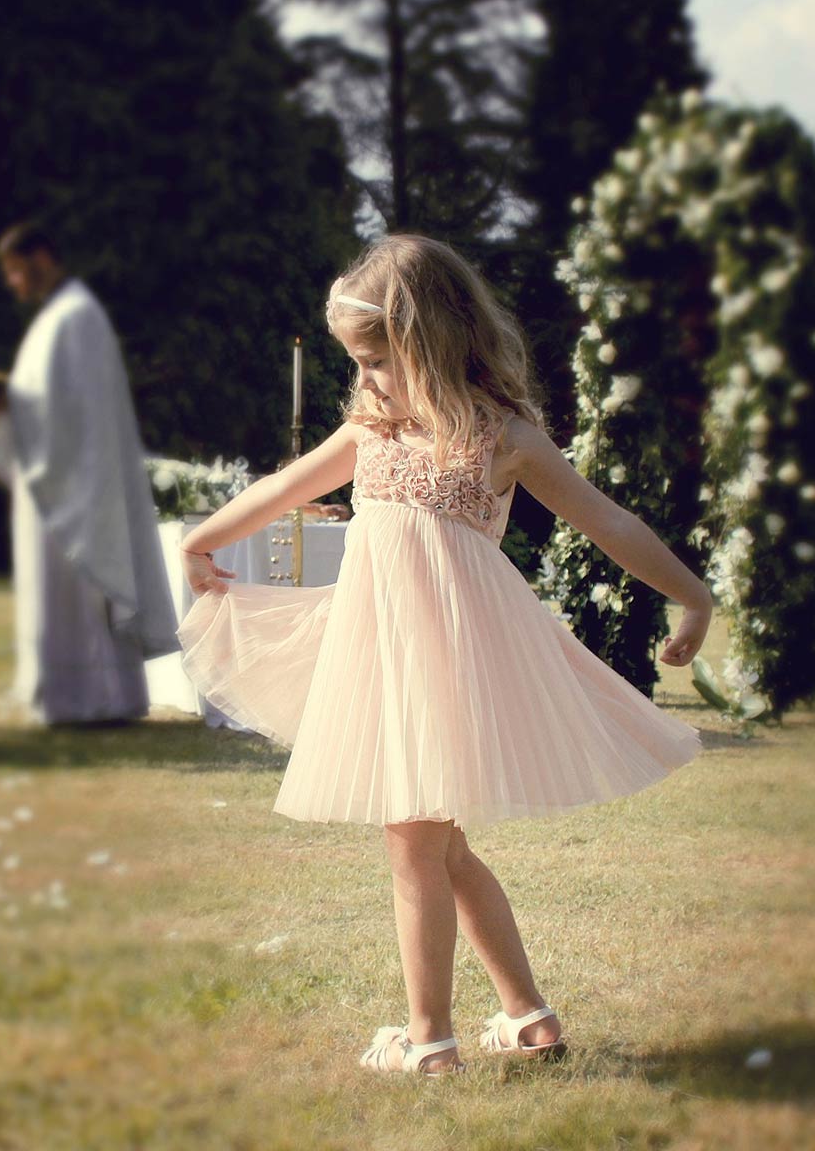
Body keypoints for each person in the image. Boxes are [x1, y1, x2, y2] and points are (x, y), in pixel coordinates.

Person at [176, 235, 709, 1076]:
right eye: (360, 361)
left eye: (380, 358)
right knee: (441, 844)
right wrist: (201, 542)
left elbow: (609, 523)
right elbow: (284, 488)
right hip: (385, 658)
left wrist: (695, 594)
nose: (369, 377)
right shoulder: (369, 431)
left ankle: (428, 1043)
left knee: (414, 845)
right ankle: (528, 1017)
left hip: (450, 664)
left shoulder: (508, 438)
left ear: (429, 340)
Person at [0, 222, 177, 725]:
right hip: (51, 482)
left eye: (15, 269)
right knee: (55, 596)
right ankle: (68, 695)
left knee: (79, 595)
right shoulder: (58, 318)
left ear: (42, 257)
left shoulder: (77, 318)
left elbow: (78, 409)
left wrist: (8, 401)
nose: (12, 283)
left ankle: (96, 698)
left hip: (77, 486)